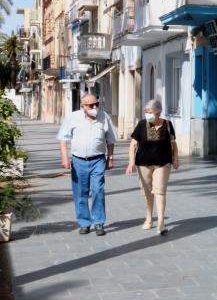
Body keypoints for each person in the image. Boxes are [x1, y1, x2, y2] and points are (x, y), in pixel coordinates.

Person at [57, 93, 116, 236]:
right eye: (90, 105)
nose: (94, 107)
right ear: (83, 106)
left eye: (96, 104)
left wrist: (110, 158)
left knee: (98, 190)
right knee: (80, 193)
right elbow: (63, 139)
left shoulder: (104, 117)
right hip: (78, 161)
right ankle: (84, 223)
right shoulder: (73, 117)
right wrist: (65, 158)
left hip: (98, 160)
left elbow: (110, 140)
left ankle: (99, 223)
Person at [126, 99, 179, 235]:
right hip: (143, 164)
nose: (148, 115)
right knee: (148, 193)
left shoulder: (167, 125)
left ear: (158, 113)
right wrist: (131, 163)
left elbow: (173, 143)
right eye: (146, 112)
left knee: (160, 192)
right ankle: (149, 217)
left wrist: (176, 159)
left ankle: (161, 222)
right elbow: (133, 145)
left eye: (150, 112)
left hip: (163, 163)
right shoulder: (142, 125)